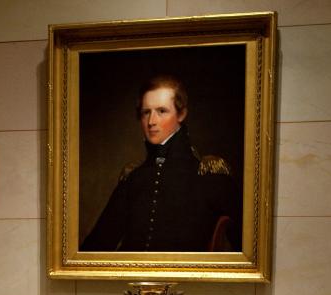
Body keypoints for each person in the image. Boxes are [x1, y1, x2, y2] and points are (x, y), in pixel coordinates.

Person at [81, 74, 241, 253]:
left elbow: (246, 249)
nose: (151, 122)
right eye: (146, 112)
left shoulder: (209, 175)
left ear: (181, 114)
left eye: (161, 111)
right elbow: (97, 246)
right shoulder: (133, 178)